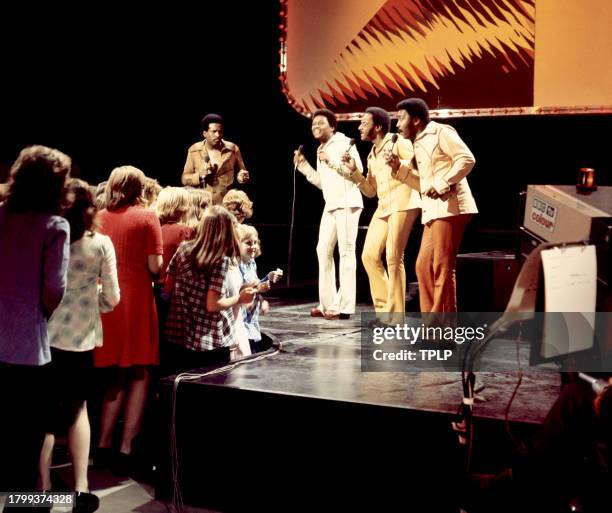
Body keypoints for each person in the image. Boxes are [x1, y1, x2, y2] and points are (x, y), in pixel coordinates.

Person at [39, 178, 120, 513]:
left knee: (42, 417)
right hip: (80, 342)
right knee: (78, 410)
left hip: (42, 339)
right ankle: (82, 489)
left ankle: (41, 490)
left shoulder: (47, 236)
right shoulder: (100, 244)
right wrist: (93, 300)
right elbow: (113, 298)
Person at [0, 145, 71, 507]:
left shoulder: (1, 215)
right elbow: (54, 289)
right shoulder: (54, 226)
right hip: (26, 348)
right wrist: (40, 314)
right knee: (26, 444)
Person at [93, 166, 163, 475]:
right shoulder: (147, 216)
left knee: (114, 374)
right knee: (139, 371)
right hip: (135, 300)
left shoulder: (99, 216)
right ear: (140, 187)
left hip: (106, 301)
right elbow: (155, 265)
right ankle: (126, 449)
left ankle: (103, 445)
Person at [389, 98, 477, 312]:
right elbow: (423, 185)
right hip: (433, 210)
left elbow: (467, 159)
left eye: (401, 119)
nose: (398, 125)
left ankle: (442, 330)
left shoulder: (440, 132)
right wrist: (399, 168)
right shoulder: (417, 144)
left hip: (451, 206)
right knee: (423, 266)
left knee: (442, 266)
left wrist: (442, 183)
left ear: (417, 120)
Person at [343, 107, 421, 324]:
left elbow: (418, 168)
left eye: (364, 123)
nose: (359, 127)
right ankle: (384, 311)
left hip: (404, 202)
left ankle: (396, 318)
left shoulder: (399, 143)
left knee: (394, 257)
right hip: (384, 205)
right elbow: (370, 191)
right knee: (368, 256)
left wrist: (400, 163)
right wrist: (354, 172)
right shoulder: (371, 155)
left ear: (377, 127)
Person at [164, 206, 257, 373]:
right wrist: (240, 299)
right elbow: (212, 305)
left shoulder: (183, 248)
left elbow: (168, 287)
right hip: (210, 339)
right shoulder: (220, 259)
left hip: (178, 332)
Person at [293, 108, 363, 320]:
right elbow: (324, 184)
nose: (316, 127)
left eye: (321, 123)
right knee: (323, 250)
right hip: (331, 204)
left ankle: (344, 306)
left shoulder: (343, 143)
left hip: (348, 203)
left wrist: (330, 161)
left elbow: (356, 172)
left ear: (332, 126)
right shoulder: (321, 149)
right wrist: (304, 166)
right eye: (313, 124)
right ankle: (326, 303)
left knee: (346, 252)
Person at [181, 113, 250, 205]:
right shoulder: (194, 150)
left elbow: (243, 172)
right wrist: (199, 175)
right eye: (214, 131)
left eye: (220, 131)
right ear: (204, 133)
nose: (218, 135)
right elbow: (184, 179)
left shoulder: (233, 149)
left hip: (226, 206)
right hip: (202, 205)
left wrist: (242, 177)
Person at [235, 224, 283, 353]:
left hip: (251, 317)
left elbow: (255, 283)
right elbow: (239, 288)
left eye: (255, 242)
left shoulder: (252, 263)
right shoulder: (236, 264)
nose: (253, 246)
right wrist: (258, 288)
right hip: (241, 317)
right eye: (248, 243)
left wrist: (268, 278)